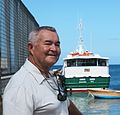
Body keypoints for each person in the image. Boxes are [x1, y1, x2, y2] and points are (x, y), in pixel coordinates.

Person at [3, 26, 83, 115]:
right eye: (48, 43)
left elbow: (65, 103)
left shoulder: (50, 77)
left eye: (57, 44)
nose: (54, 49)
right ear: (31, 48)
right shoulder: (21, 86)